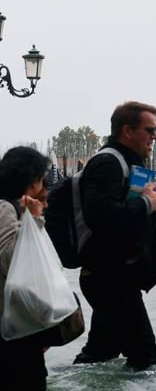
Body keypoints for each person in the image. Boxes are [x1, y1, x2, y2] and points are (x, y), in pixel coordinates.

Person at [73, 101, 156, 371]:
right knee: (146, 359)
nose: (155, 136)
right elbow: (102, 216)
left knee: (100, 354)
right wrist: (146, 203)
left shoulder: (125, 162)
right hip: (109, 278)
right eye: (149, 130)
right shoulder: (108, 163)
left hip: (114, 276)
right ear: (127, 131)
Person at [0, 146, 52, 389]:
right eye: (41, 179)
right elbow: (10, 260)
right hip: (10, 331)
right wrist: (33, 220)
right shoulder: (5, 209)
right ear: (31, 181)